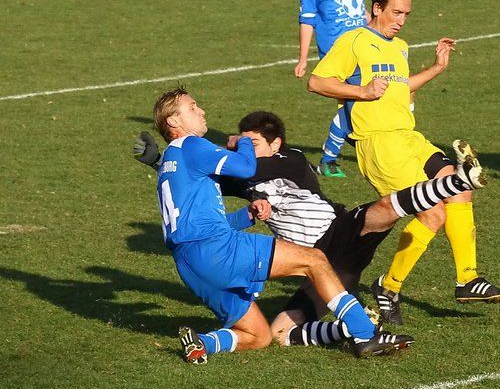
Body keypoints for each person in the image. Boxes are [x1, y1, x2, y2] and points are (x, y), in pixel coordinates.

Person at [134, 110, 487, 348]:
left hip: (338, 233)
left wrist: (233, 151)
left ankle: (458, 181)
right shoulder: (245, 175)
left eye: (254, 143)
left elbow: (235, 168)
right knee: (278, 332)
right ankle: (349, 330)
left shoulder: (291, 160)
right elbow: (195, 179)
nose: (249, 151)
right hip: (322, 265)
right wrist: (161, 162)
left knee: (383, 209)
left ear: (275, 144)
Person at [149, 87, 412, 363]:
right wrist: (244, 142)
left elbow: (192, 225)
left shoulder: (169, 163)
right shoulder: (191, 145)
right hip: (218, 249)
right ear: (173, 121)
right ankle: (364, 333)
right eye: (192, 107)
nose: (201, 111)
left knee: (259, 336)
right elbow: (246, 168)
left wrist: (245, 216)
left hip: (189, 263)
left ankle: (202, 343)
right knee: (314, 260)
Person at [308, 0, 500, 324]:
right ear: (377, 8)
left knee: (460, 189)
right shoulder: (354, 41)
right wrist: (362, 91)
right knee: (433, 214)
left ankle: (467, 279)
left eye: (406, 14)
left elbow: (400, 88)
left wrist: (436, 68)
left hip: (409, 138)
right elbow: (317, 82)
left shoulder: (399, 47)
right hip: (378, 143)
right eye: (396, 12)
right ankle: (388, 287)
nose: (401, 20)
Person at [295, 0, 369, 179]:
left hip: (362, 44)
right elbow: (307, 19)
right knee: (358, 100)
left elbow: (359, 7)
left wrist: (377, 30)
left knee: (358, 101)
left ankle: (332, 157)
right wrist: (303, 58)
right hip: (337, 50)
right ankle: (330, 158)